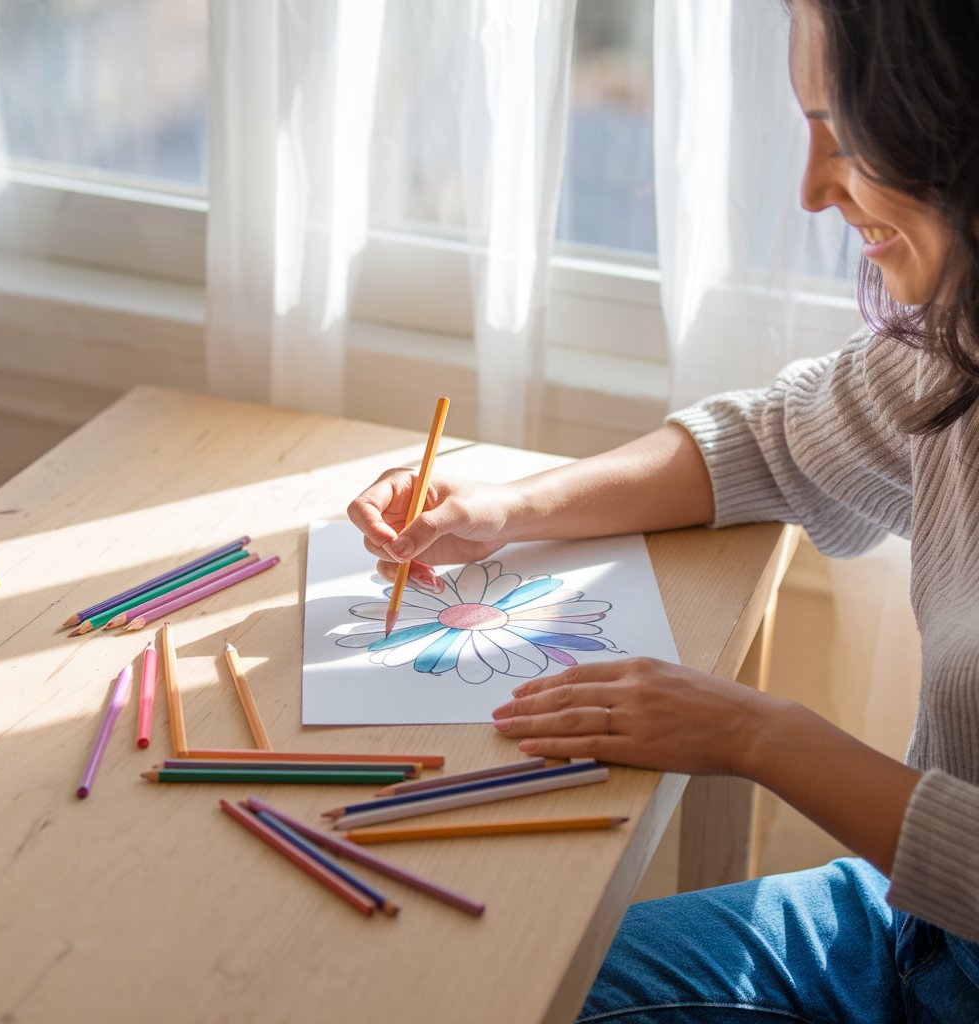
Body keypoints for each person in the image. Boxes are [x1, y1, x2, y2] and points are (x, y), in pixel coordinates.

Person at [347, 1, 979, 1019]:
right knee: (489, 991)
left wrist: (756, 733)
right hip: (911, 923)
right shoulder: (953, 345)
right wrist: (508, 505)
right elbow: (768, 441)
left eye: (847, 138)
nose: (813, 189)